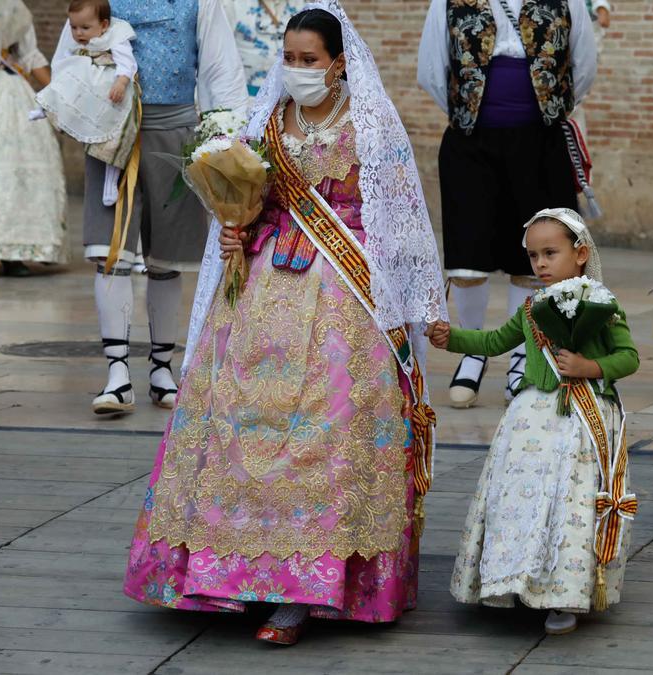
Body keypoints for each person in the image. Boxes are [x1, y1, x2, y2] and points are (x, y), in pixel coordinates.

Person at [122, 2, 446, 646]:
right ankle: (230, 573)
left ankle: (304, 592)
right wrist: (238, 231)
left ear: (338, 63)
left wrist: (422, 306)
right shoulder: (267, 119)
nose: (297, 70)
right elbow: (253, 203)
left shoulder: (371, 125)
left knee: (325, 430)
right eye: (290, 59)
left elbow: (401, 219)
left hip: (343, 297)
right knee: (237, 423)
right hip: (263, 289)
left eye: (310, 60)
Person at [428, 208, 638, 636]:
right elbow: (493, 342)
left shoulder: (600, 302)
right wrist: (452, 339)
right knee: (521, 500)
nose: (540, 264)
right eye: (532, 256)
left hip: (582, 420)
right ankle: (516, 581)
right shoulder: (530, 309)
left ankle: (564, 593)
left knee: (570, 503)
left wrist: (589, 366)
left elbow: (628, 357)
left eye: (550, 253)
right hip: (529, 422)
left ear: (580, 254)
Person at [60, 0, 247, 415]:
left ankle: (162, 370)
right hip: (111, 134)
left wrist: (225, 137)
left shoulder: (199, 3)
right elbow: (69, 55)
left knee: (167, 259)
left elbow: (220, 69)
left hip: (175, 133)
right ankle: (117, 375)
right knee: (110, 255)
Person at [417, 0, 597, 409]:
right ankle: (473, 349)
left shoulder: (566, 2)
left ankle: (523, 355)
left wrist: (543, 110)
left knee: (537, 252)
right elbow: (430, 70)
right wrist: (472, 115)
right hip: (471, 142)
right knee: (468, 255)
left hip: (540, 142)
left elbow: (583, 68)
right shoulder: (448, 2)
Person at [0, 0, 67, 276]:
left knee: (15, 170)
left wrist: (60, 93)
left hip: (9, 93)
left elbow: (30, 55)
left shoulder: (13, 8)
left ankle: (15, 253)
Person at [35, 0, 138, 210]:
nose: (79, 33)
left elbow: (128, 62)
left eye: (85, 28)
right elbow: (62, 61)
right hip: (91, 87)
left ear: (104, 25)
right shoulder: (79, 43)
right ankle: (46, 108)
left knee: (113, 138)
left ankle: (111, 182)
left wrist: (121, 81)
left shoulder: (116, 34)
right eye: (74, 27)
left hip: (112, 91)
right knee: (66, 76)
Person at [221, 0, 305, 96]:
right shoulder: (232, 4)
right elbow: (221, 58)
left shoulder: (305, 5)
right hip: (247, 98)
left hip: (295, 98)